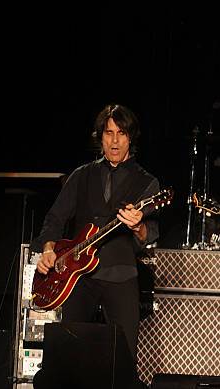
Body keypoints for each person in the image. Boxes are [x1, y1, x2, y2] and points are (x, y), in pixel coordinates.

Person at [33, 104, 160, 362]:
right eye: (108, 133)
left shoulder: (147, 182)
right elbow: (55, 218)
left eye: (121, 133)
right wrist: (48, 249)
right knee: (68, 354)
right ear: (99, 137)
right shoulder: (82, 175)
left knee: (123, 358)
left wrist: (138, 226)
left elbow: (153, 232)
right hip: (78, 277)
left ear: (130, 138)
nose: (114, 141)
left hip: (120, 273)